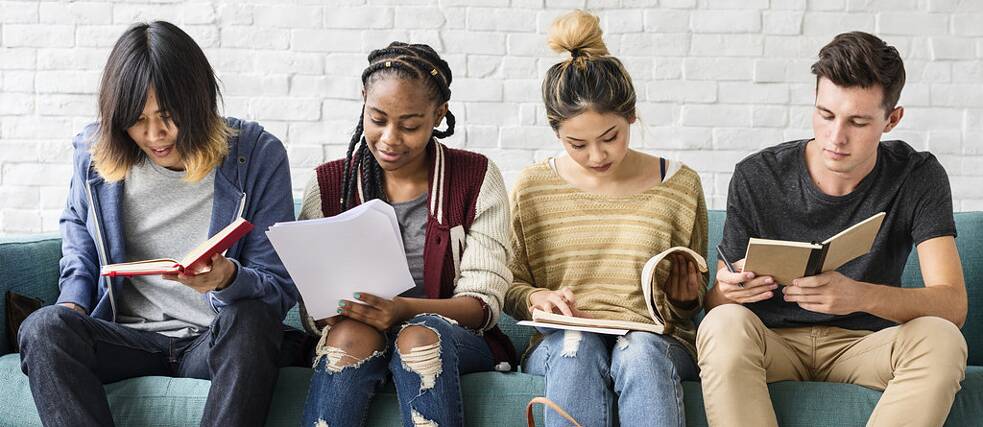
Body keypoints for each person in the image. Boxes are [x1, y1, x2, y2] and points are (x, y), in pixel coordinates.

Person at [17, 21, 298, 427]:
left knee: (252, 318)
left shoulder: (256, 155)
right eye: (137, 119)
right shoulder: (94, 155)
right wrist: (74, 303)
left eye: (168, 115)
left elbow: (277, 288)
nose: (155, 134)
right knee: (44, 327)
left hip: (213, 341)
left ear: (198, 101)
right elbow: (77, 231)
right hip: (124, 339)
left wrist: (226, 278)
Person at [698, 31, 968, 427]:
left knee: (942, 340)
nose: (835, 138)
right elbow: (714, 306)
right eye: (826, 115)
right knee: (723, 324)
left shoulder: (916, 175)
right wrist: (728, 291)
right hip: (771, 343)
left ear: (892, 119)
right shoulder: (757, 175)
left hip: (865, 346)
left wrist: (858, 296)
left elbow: (952, 305)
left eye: (857, 122)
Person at [503, 10, 708, 427]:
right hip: (563, 342)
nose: (597, 157)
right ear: (555, 131)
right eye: (577, 144)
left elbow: (690, 307)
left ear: (631, 115)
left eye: (610, 137)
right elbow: (508, 285)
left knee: (641, 352)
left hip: (656, 340)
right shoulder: (532, 187)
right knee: (576, 346)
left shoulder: (680, 185)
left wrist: (687, 298)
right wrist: (533, 297)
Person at [297, 41, 517, 427]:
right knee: (348, 337)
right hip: (359, 332)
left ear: (439, 115)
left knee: (418, 338)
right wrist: (333, 307)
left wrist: (402, 310)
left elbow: (482, 307)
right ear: (363, 100)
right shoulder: (330, 184)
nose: (390, 138)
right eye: (377, 119)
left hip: (452, 338)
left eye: (411, 125)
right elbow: (311, 313)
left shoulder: (476, 178)